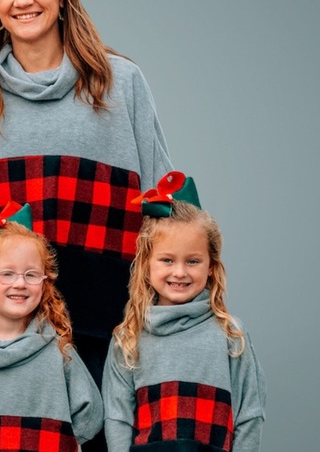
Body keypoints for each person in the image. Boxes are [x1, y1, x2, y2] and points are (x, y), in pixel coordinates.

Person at [0, 0, 173, 401]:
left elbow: (165, 206)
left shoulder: (121, 82)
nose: (23, 0)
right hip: (16, 328)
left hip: (113, 322)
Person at [102, 171, 266, 451]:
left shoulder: (231, 335)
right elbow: (117, 418)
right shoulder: (127, 338)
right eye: (167, 260)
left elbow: (249, 415)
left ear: (211, 266)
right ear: (146, 264)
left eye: (192, 261)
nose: (179, 272)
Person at [0, 202, 103, 451]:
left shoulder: (59, 352)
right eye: (7, 274)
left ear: (44, 283)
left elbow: (91, 414)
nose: (20, 283)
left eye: (31, 274)